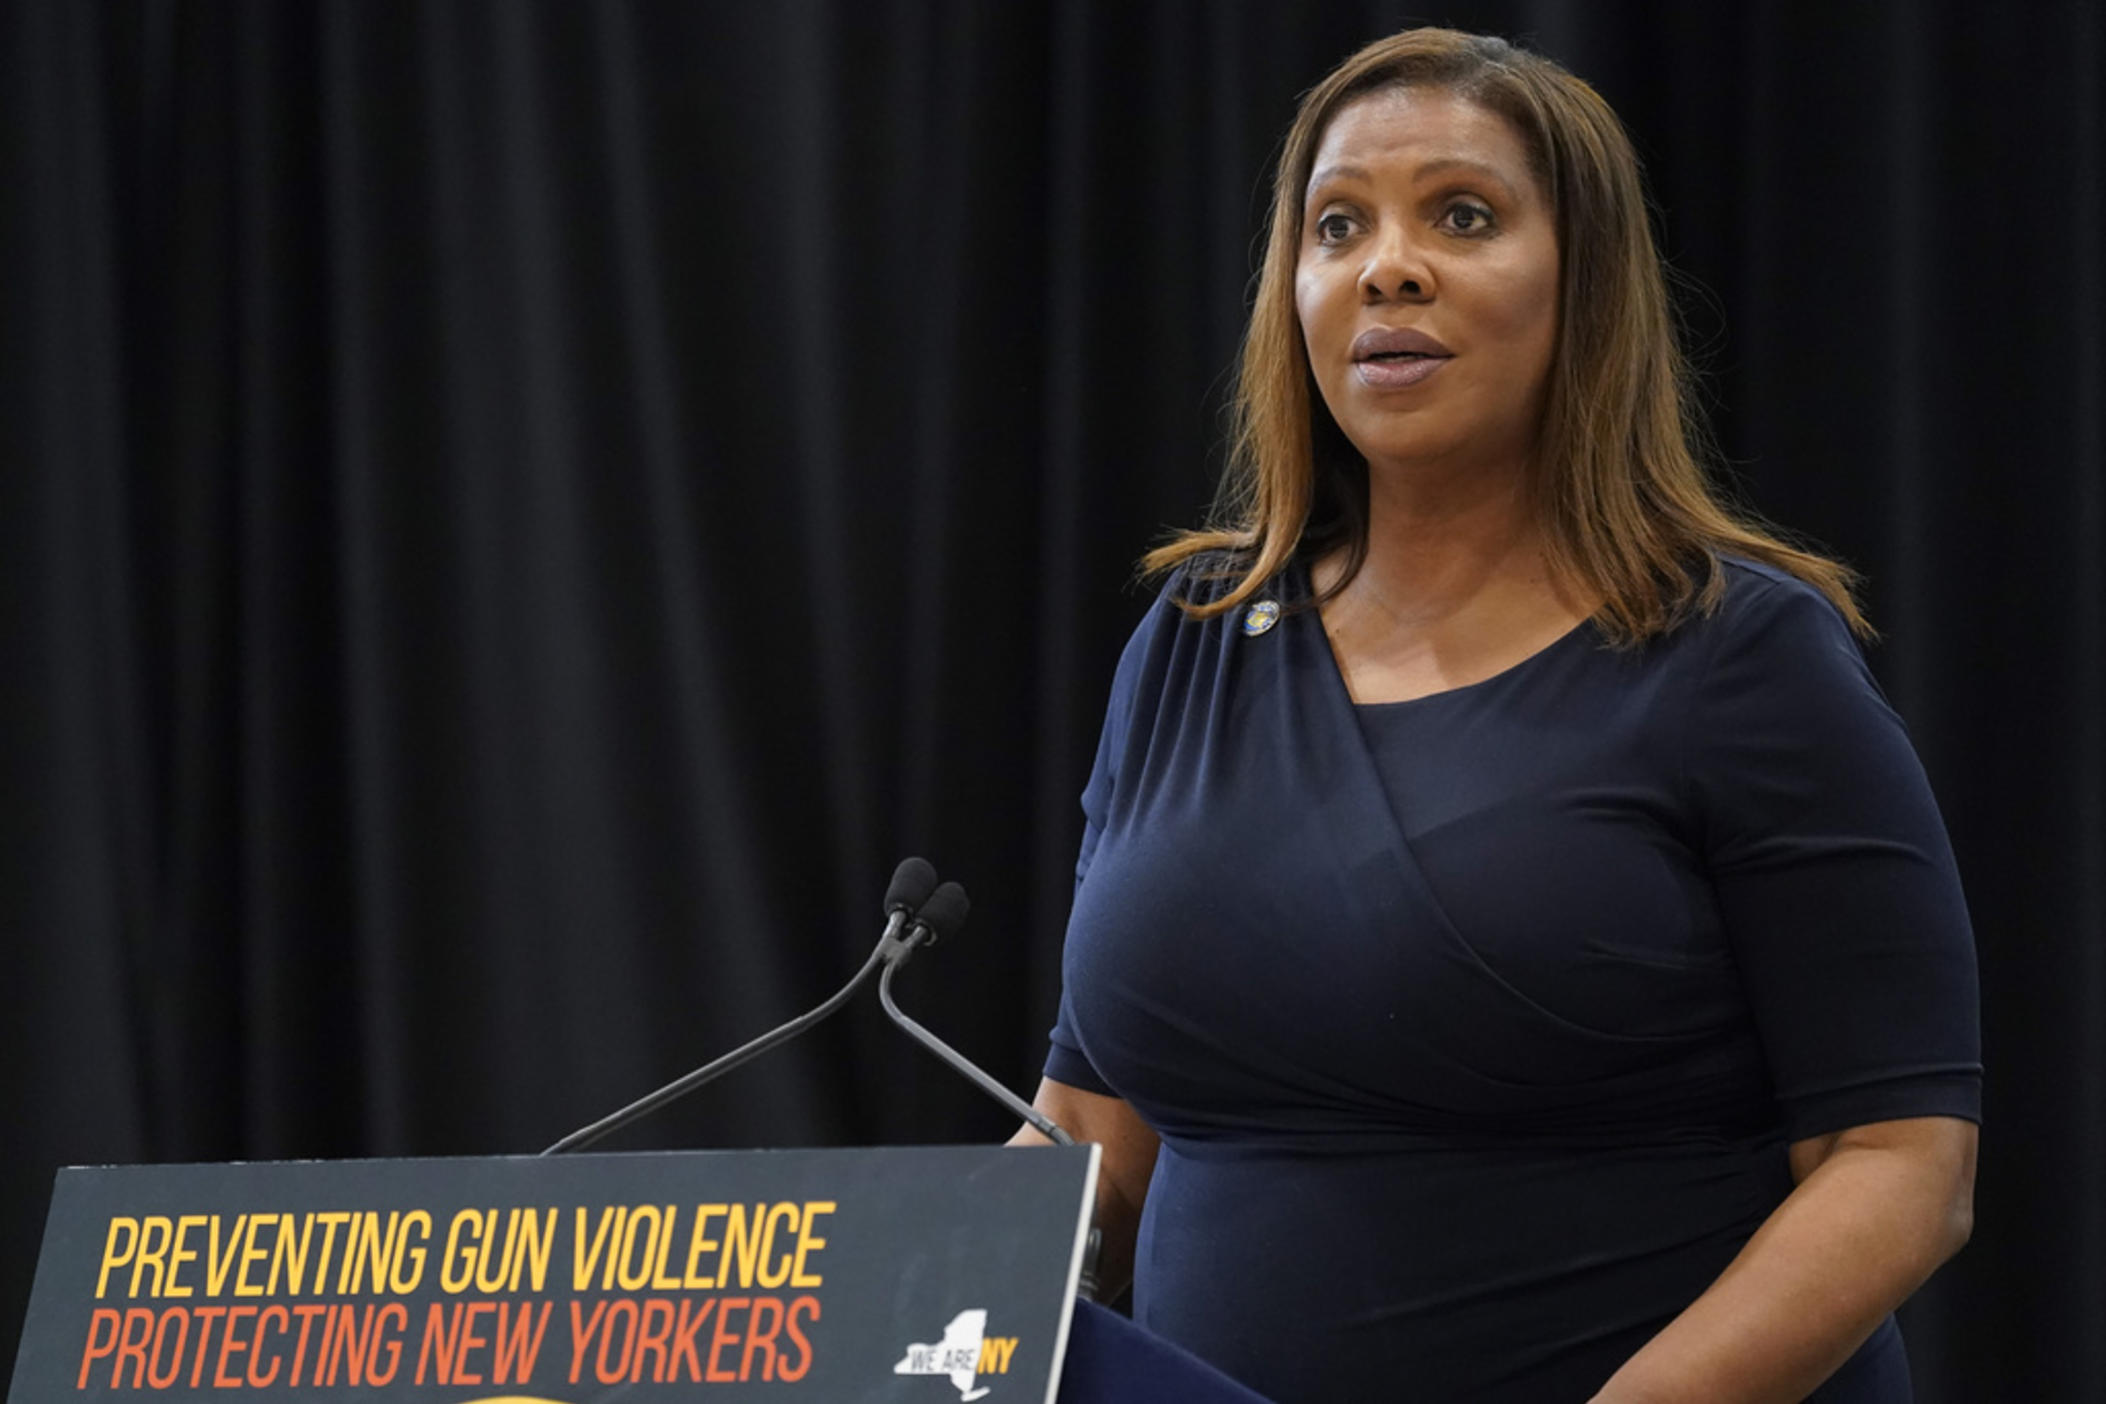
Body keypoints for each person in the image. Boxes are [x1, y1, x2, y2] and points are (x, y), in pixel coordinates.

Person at [1010, 26, 1980, 1404]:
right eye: (1336, 224)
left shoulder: (1739, 657)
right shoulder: (1193, 641)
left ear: (1581, 287)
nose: (1386, 266)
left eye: (1459, 216)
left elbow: (1899, 1167)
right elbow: (1090, 1133)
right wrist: (896, 1298)